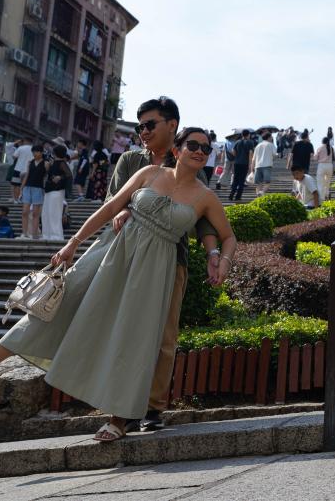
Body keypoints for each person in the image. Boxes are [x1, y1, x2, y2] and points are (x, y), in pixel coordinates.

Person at [0, 127, 237, 443]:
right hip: (114, 251)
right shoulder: (150, 173)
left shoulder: (206, 197)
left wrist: (221, 260)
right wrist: (74, 242)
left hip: (155, 269)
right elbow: (110, 208)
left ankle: (119, 418)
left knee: (136, 336)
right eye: (193, 145)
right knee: (60, 304)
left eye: (206, 148)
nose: (200, 151)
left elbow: (228, 236)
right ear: (177, 149)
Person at [110, 97, 222, 431]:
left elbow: (205, 221)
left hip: (172, 259)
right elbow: (113, 201)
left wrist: (213, 254)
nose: (143, 132)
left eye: (149, 125)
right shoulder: (132, 160)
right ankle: (121, 403)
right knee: (123, 329)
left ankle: (153, 407)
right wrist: (124, 210)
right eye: (139, 126)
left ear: (172, 125)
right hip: (128, 254)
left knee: (164, 336)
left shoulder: (191, 162)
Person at [42, 145, 72, 241]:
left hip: (57, 191)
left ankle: (56, 236)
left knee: (54, 213)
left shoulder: (62, 163)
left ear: (55, 153)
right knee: (46, 213)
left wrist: (60, 177)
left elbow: (69, 175)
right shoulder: (53, 162)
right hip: (49, 190)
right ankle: (46, 234)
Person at [19, 145, 47, 240]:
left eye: (37, 152)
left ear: (41, 152)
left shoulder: (46, 163)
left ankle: (34, 234)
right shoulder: (30, 162)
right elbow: (27, 175)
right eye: (33, 152)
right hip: (27, 187)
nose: (35, 154)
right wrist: (21, 188)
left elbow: (46, 177)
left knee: (35, 213)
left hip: (38, 188)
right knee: (25, 212)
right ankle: (25, 233)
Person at [229, 130, 256, 201]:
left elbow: (233, 152)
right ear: (248, 135)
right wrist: (250, 165)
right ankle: (238, 196)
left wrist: (238, 156)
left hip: (237, 163)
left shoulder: (237, 142)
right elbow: (250, 154)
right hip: (245, 163)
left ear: (242, 135)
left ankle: (231, 194)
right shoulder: (250, 142)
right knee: (242, 180)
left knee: (235, 179)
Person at [10, 138, 33, 203]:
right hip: (29, 169)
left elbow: (14, 157)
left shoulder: (21, 148)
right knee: (26, 185)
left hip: (18, 168)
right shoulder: (33, 149)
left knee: (16, 184)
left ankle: (16, 199)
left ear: (25, 141)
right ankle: (22, 198)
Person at [314, 136, 335, 202]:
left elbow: (315, 158)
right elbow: (334, 157)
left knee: (320, 183)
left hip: (322, 165)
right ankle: (327, 194)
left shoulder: (320, 148)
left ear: (322, 141)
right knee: (327, 182)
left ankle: (321, 198)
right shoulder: (331, 148)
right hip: (330, 166)